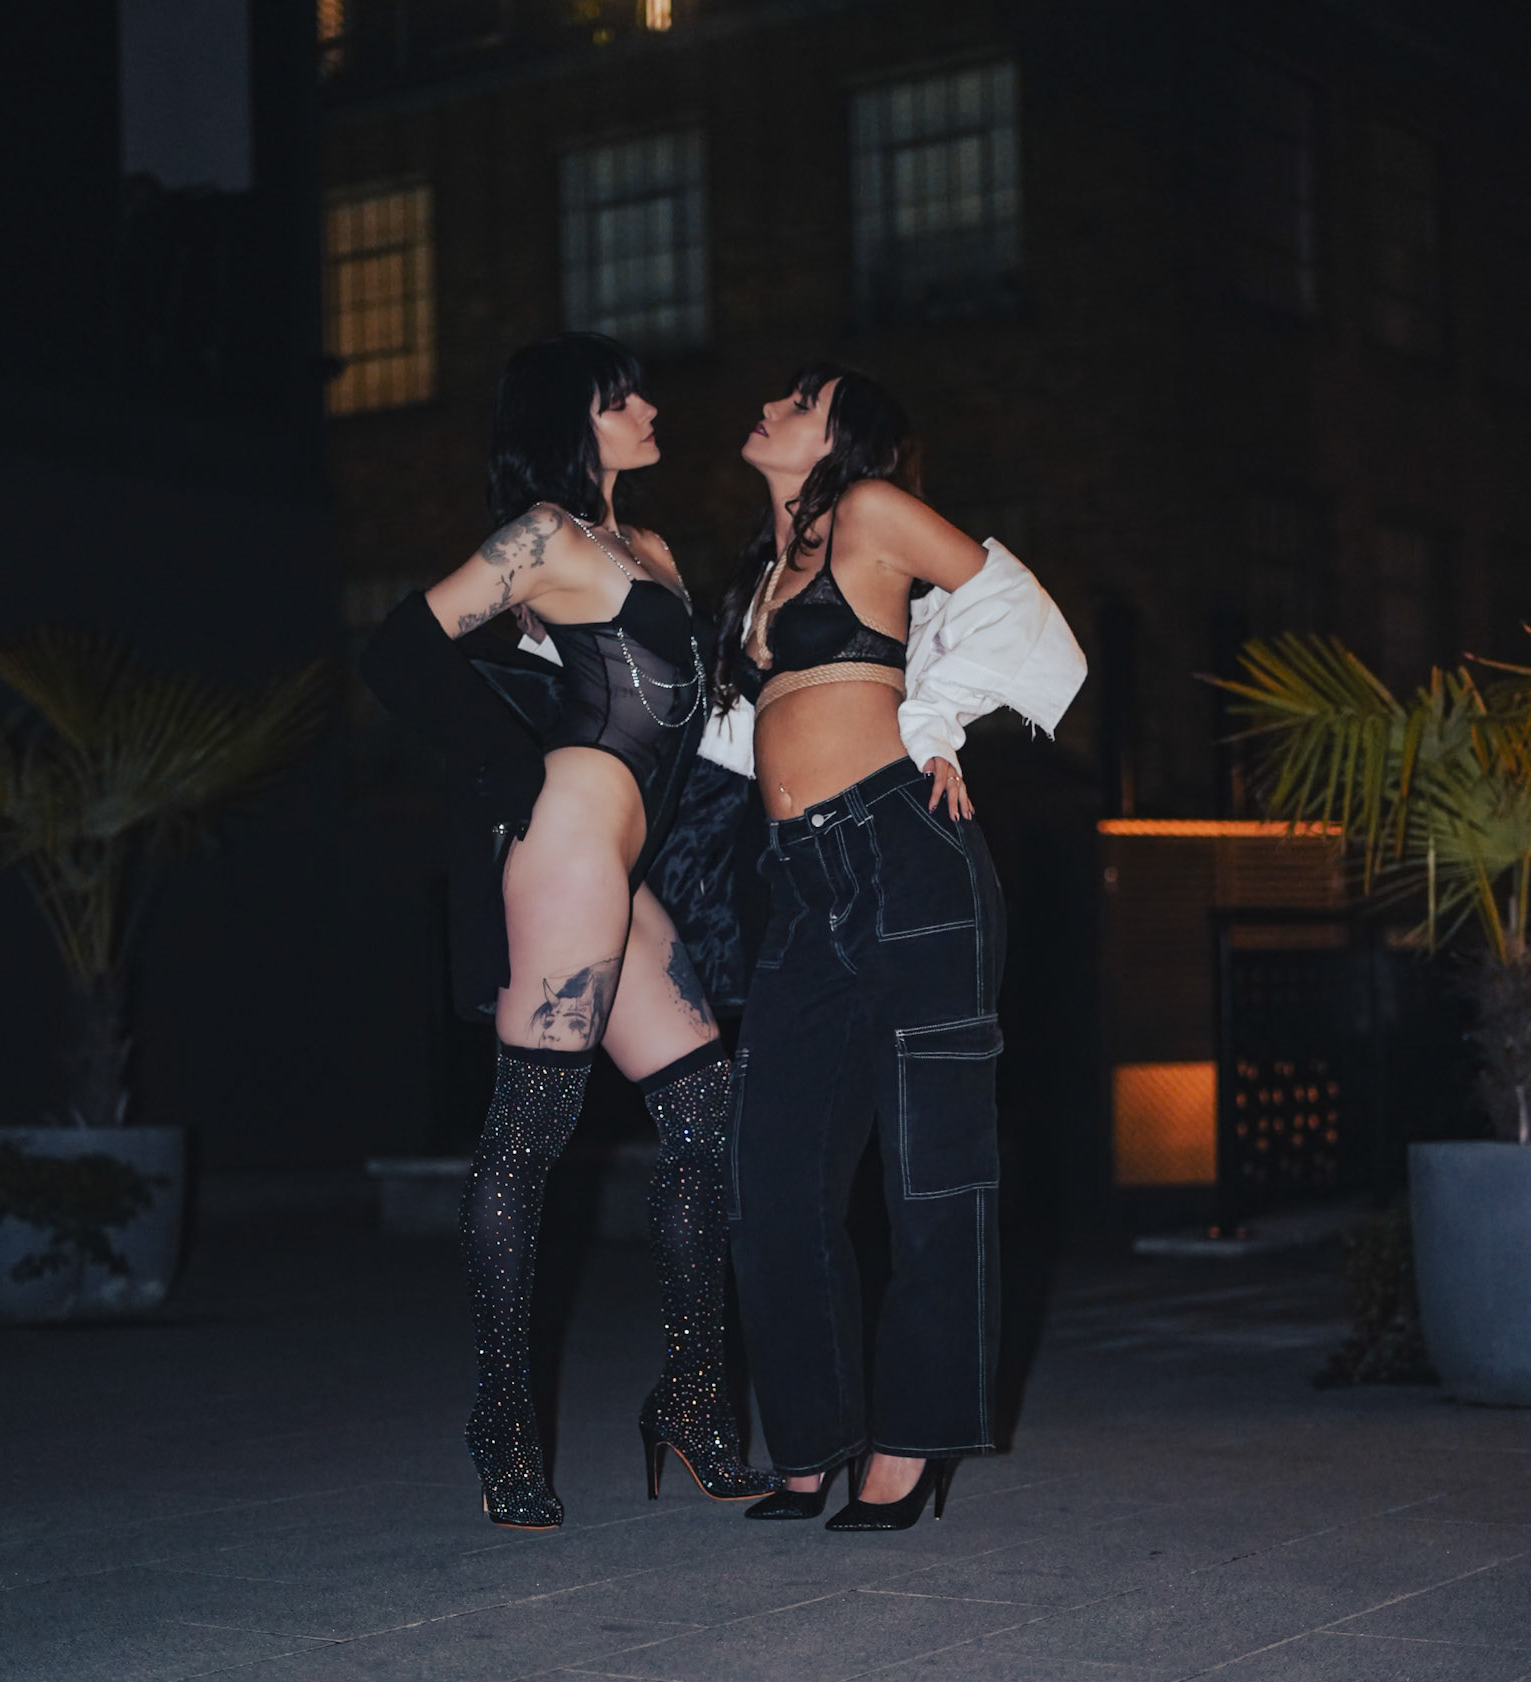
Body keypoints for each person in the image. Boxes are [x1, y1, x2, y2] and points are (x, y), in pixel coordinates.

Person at [362, 333, 778, 1529]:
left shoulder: (644, 546)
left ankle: (690, 1401)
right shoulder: (544, 536)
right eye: (619, 396)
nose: (647, 407)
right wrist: (509, 766)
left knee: (706, 1116)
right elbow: (399, 646)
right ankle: (501, 1424)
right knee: (528, 1134)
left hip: (622, 866)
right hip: (566, 846)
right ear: (569, 418)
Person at [703, 361, 1086, 1531]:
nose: (773, 404)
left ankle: (908, 1445)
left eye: (801, 399)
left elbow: (1021, 611)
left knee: (932, 1169)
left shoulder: (870, 510)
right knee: (770, 1173)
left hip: (902, 858)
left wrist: (931, 719)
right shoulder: (765, 570)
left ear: (843, 436)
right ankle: (810, 1437)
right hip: (800, 883)